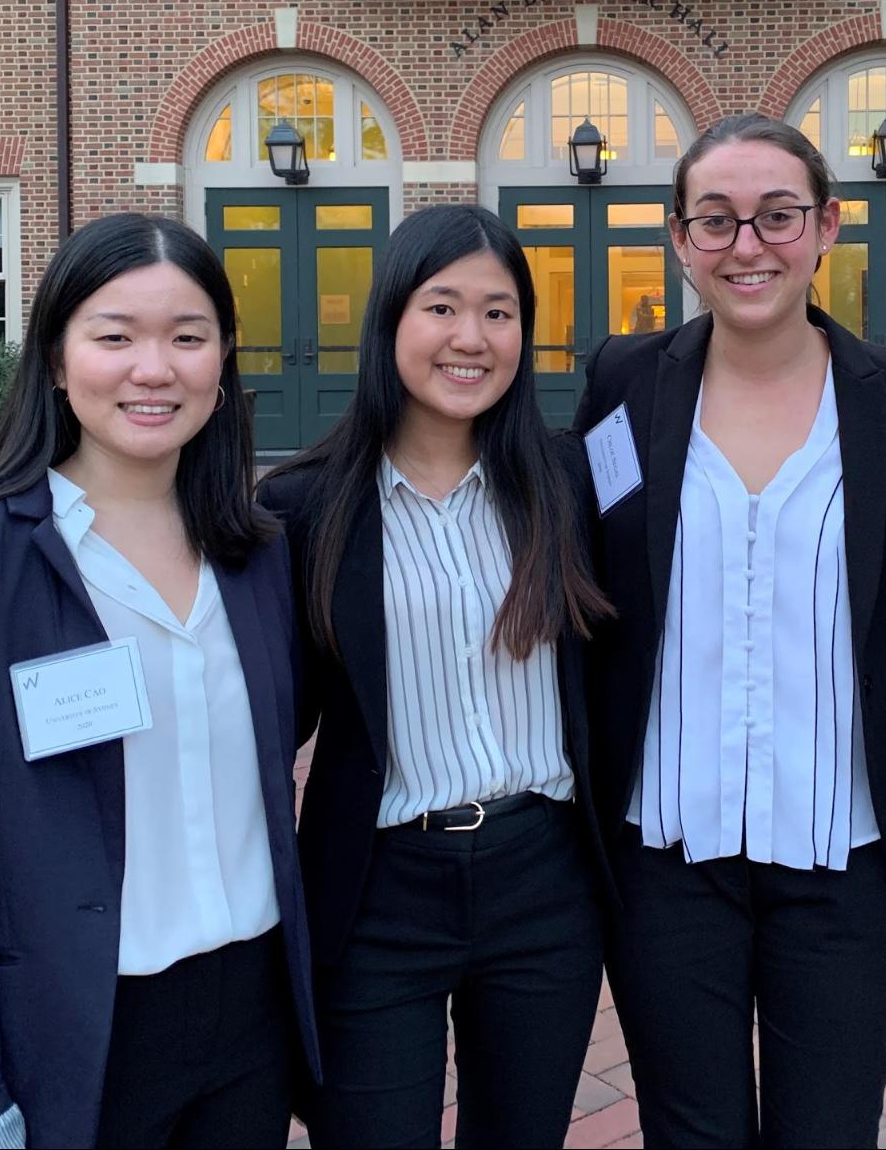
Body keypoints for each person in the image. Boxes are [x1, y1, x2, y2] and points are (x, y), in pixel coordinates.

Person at [0, 213, 317, 1150]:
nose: (153, 370)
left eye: (187, 338)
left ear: (223, 360)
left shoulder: (258, 552)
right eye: (114, 336)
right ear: (55, 358)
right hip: (77, 1031)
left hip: (252, 1020)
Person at [571, 112, 886, 1149]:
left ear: (827, 226)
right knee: (688, 1132)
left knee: (828, 1132)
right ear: (679, 239)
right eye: (716, 221)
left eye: (777, 216)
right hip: (665, 852)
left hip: (846, 850)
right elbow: (585, 571)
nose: (748, 247)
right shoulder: (623, 382)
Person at [258, 204, 613, 1150]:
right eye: (442, 307)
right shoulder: (301, 507)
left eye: (499, 313)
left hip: (543, 876)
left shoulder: (567, 482)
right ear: (390, 323)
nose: (471, 339)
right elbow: (265, 715)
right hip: (379, 884)